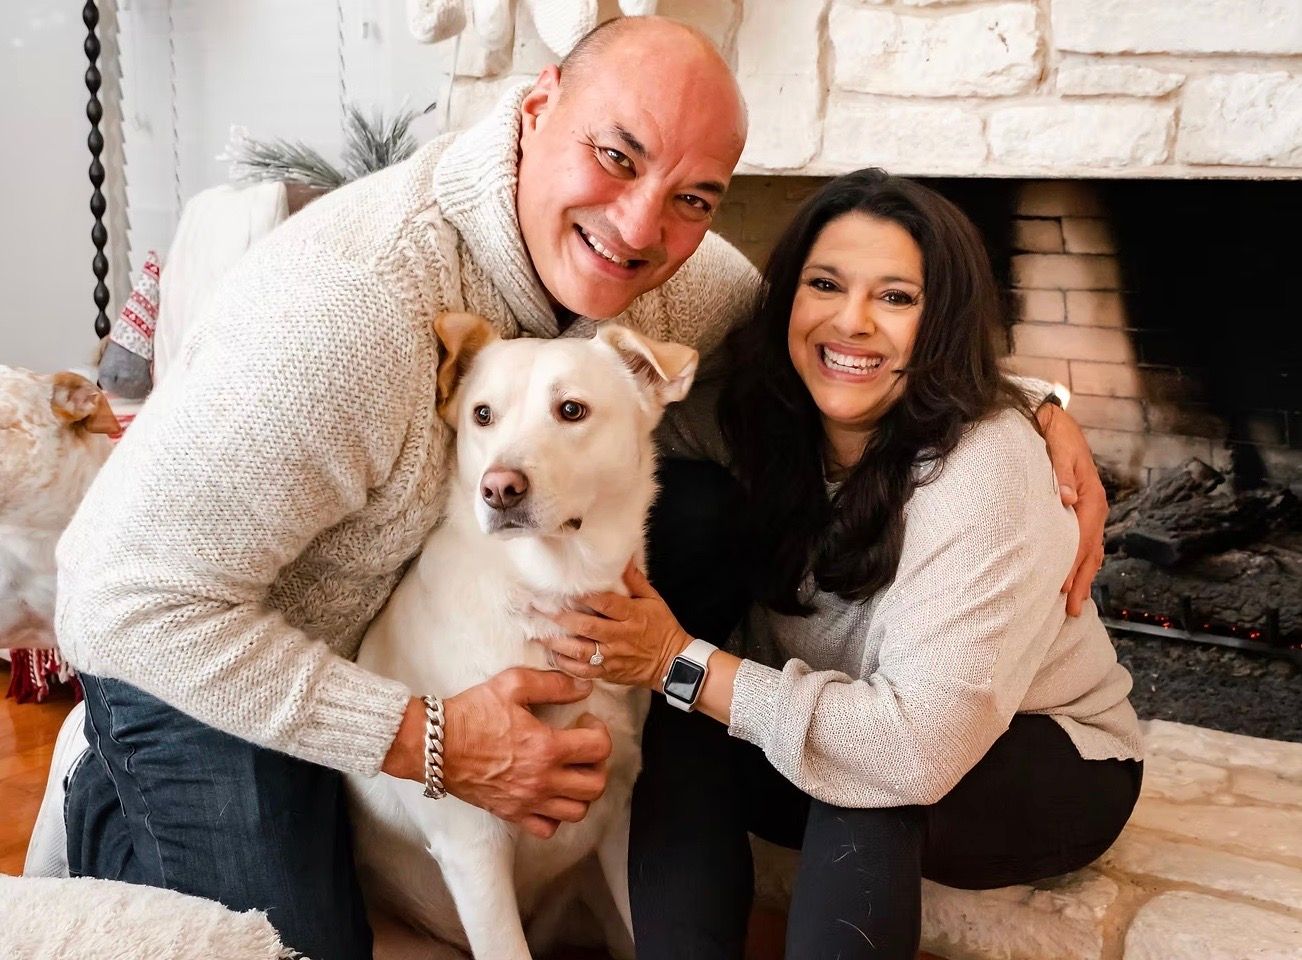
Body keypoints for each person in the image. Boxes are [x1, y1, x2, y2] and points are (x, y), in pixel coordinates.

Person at [50, 17, 1107, 960]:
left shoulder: (665, 277)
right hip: (195, 650)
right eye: (617, 155)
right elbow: (117, 601)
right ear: (539, 104)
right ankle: (109, 805)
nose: (643, 226)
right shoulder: (350, 311)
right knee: (297, 945)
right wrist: (425, 736)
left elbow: (829, 352)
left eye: (694, 197)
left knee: (686, 507)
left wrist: (1025, 409)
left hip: (392, 629)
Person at [539, 169, 1144, 959]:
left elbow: (911, 749)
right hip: (847, 726)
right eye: (825, 284)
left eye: (897, 297)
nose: (851, 322)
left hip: (1042, 761)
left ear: (942, 322)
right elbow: (600, 431)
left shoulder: (987, 466)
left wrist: (671, 658)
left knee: (869, 787)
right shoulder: (756, 416)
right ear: (789, 298)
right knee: (686, 728)